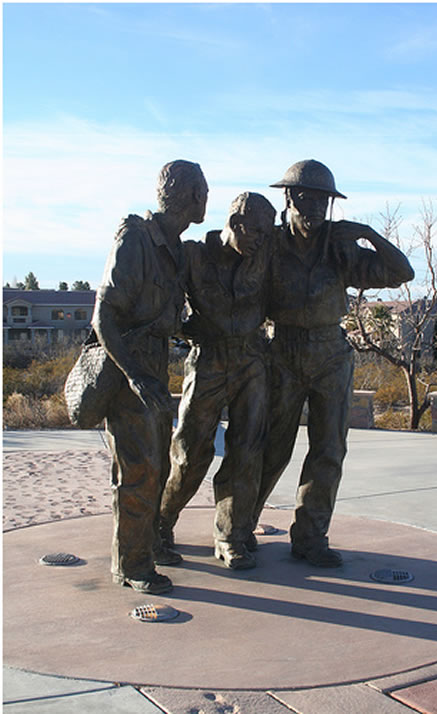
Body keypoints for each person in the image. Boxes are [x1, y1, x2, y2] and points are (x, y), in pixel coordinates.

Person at [252, 159, 415, 567]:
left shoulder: (341, 247)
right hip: (282, 350)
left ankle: (311, 538)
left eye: (322, 201)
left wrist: (367, 233)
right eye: (307, 199)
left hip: (330, 354)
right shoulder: (270, 245)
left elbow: (402, 272)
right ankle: (239, 526)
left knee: (328, 450)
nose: (314, 208)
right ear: (290, 198)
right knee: (270, 447)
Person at [92, 159, 208, 593]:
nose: (206, 199)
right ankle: (132, 565)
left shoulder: (175, 249)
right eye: (204, 191)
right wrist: (136, 376)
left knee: (156, 466)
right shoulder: (135, 238)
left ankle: (147, 547)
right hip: (128, 375)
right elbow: (104, 318)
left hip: (154, 371)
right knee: (138, 471)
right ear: (191, 195)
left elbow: (168, 318)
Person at [158, 192, 276, 569]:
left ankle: (231, 535)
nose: (261, 240)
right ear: (236, 223)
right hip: (208, 360)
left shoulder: (265, 255)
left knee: (247, 451)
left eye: (267, 233)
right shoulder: (193, 255)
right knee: (190, 453)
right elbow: (167, 304)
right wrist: (187, 330)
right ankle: (161, 523)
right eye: (256, 232)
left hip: (251, 361)